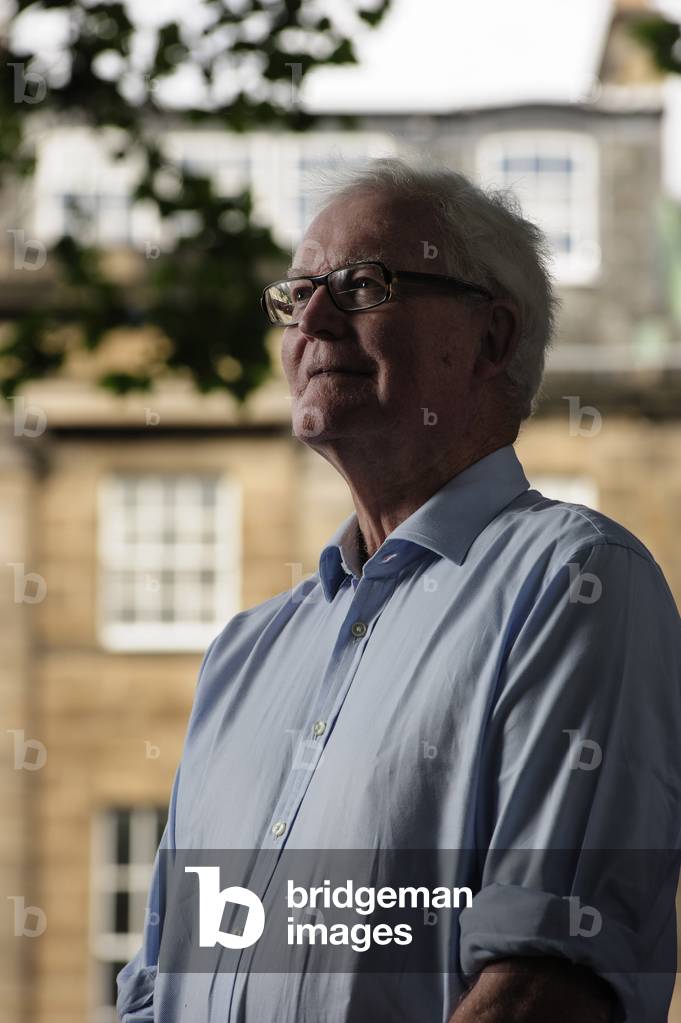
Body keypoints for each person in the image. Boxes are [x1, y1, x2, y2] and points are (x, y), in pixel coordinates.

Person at [117, 156, 681, 1023]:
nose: (311, 318)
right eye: (296, 291)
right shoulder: (243, 652)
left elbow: (546, 981)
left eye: (362, 285)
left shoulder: (575, 581)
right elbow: (157, 991)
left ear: (490, 337)